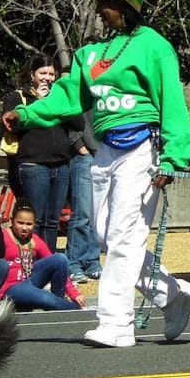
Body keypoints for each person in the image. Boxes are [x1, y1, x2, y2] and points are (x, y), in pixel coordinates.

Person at [1, 0, 190, 348]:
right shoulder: (90, 53)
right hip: (106, 149)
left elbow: (173, 104)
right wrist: (24, 115)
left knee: (125, 236)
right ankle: (172, 295)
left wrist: (173, 158)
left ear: (125, 4)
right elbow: (66, 96)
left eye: (105, 3)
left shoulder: (154, 46)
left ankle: (116, 323)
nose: (98, 11)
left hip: (144, 147)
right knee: (106, 235)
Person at [0, 55, 76, 252]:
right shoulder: (19, 98)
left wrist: (56, 104)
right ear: (32, 74)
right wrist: (39, 103)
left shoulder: (60, 98)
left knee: (52, 221)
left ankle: (48, 260)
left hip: (61, 164)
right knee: (36, 219)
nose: (47, 78)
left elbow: (79, 124)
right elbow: (9, 128)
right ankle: (30, 261)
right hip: (34, 165)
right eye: (43, 73)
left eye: (51, 74)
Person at [0, 199, 85, 311]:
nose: (24, 228)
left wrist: (74, 293)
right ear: (11, 220)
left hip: (29, 281)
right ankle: (74, 310)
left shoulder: (35, 239)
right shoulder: (2, 236)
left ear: (34, 224)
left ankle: (58, 302)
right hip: (10, 288)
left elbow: (54, 262)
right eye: (20, 223)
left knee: (60, 259)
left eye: (29, 224)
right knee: (46, 298)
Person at [67, 113, 103, 284]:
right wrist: (80, 147)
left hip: (105, 154)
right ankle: (74, 262)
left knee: (98, 213)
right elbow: (67, 115)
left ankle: (92, 261)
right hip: (84, 155)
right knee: (82, 212)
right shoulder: (78, 86)